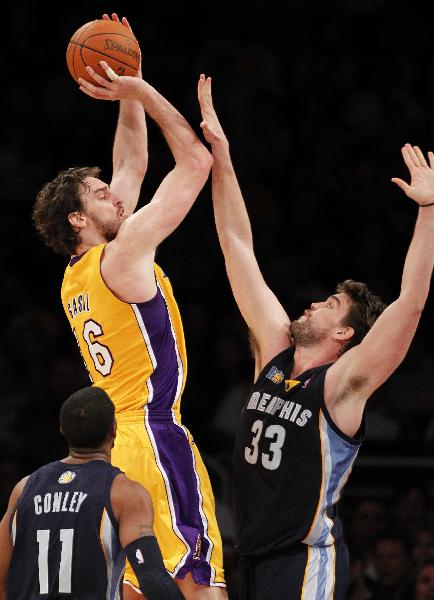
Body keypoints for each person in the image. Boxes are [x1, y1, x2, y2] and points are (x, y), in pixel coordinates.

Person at [197, 74, 434, 599]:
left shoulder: (342, 384)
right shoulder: (274, 350)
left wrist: (429, 210)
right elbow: (236, 241)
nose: (312, 303)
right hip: (253, 557)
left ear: (345, 332)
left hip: (304, 558)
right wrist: (222, 153)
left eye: (329, 304)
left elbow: (412, 303)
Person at [32, 15, 226, 599]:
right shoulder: (123, 256)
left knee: (136, 590)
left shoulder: (76, 277)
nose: (114, 195)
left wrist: (127, 84)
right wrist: (142, 91)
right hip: (152, 432)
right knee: (198, 583)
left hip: (112, 453)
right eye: (98, 195)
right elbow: (194, 162)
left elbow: (133, 166)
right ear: (77, 219)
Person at [0, 385, 184, 600]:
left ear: (62, 430)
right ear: (114, 429)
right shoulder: (125, 493)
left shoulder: (23, 488)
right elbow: (152, 577)